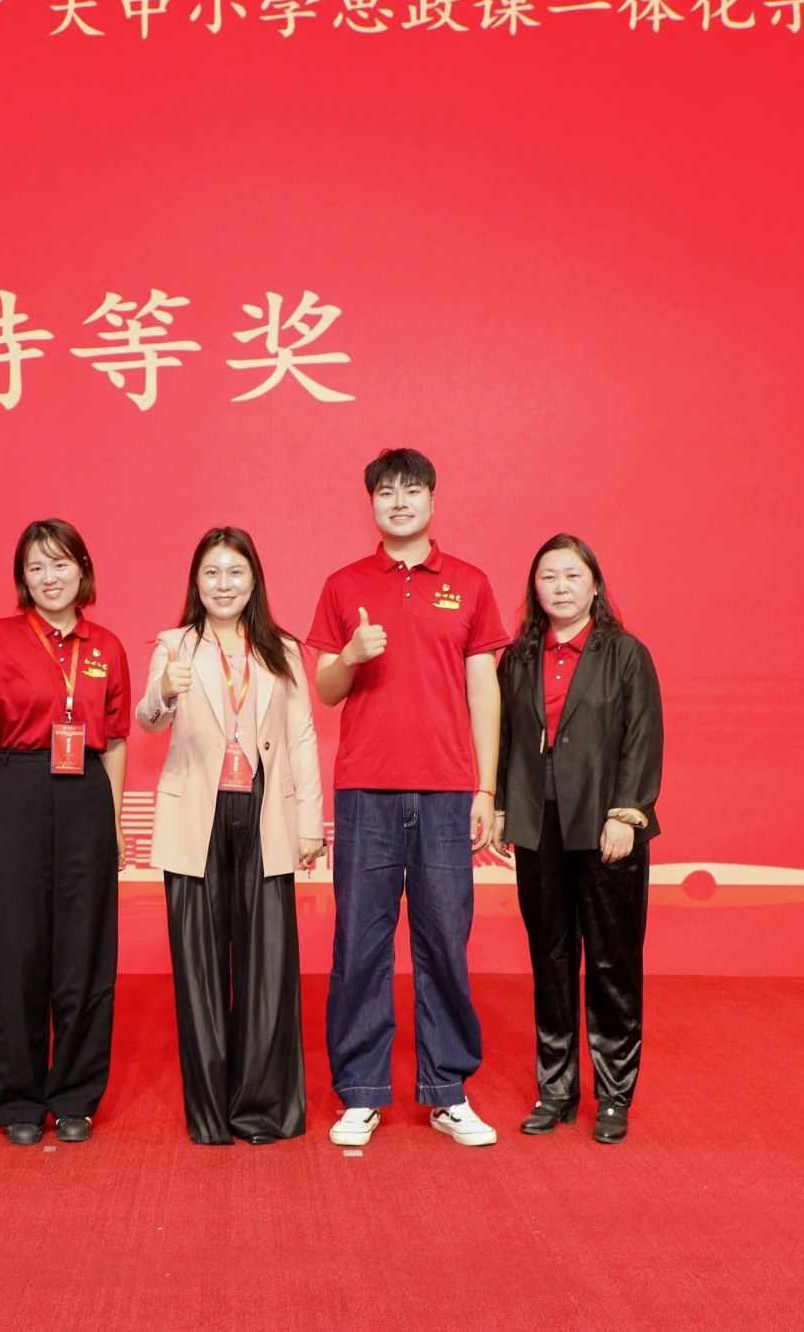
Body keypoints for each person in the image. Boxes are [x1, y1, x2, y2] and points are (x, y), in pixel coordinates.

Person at [306, 449, 509, 1148]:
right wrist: (352, 654)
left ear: (432, 499)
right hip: (366, 788)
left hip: (448, 791)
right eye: (386, 492)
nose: (399, 502)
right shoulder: (343, 584)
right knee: (360, 944)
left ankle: (447, 1091)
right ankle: (360, 1092)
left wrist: (486, 786)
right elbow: (326, 689)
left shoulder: (470, 583)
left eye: (412, 490)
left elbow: (484, 689)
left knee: (444, 942)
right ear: (371, 503)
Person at [0, 519, 132, 1146]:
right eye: (36, 567)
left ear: (83, 569)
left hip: (87, 796)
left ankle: (75, 1096)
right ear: (22, 578)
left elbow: (116, 737)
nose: (50, 578)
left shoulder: (107, 646)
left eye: (60, 564)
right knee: (13, 950)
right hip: (18, 789)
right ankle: (19, 1099)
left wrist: (114, 821)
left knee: (84, 952)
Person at [138, 527, 325, 1145]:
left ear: (254, 580)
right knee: (199, 966)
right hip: (197, 815)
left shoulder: (282, 648)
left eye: (235, 572)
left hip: (266, 812)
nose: (224, 584)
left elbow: (301, 736)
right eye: (212, 573)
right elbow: (148, 720)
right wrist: (164, 692)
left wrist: (309, 823)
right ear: (196, 581)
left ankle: (262, 1109)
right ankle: (212, 1113)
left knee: (268, 961)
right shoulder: (173, 645)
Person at [492, 534, 663, 1144]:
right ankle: (556, 1091)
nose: (560, 587)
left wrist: (627, 813)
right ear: (534, 589)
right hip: (538, 824)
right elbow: (505, 737)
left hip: (606, 825)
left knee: (614, 962)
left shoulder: (626, 653)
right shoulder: (517, 657)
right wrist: (503, 806)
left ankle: (613, 1095)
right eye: (548, 577)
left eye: (572, 576)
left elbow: (642, 736)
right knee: (551, 958)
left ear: (594, 585)